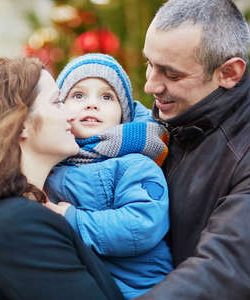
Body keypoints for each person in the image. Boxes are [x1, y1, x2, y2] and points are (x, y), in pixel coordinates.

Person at [137, 0, 250, 299]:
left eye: (171, 74)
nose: (151, 85)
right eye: (149, 64)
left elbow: (224, 269)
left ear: (229, 72)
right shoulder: (156, 129)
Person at [0, 57, 124, 300]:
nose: (71, 115)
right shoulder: (21, 224)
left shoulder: (0, 216)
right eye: (57, 102)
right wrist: (185, 279)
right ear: (21, 124)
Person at [43, 53, 173, 299]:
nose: (92, 104)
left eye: (106, 96)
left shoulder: (134, 163)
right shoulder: (52, 162)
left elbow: (143, 223)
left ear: (122, 114)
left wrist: (75, 221)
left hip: (140, 288)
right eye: (78, 95)